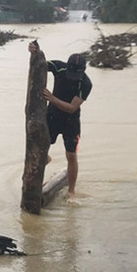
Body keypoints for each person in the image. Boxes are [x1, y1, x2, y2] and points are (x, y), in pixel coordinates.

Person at [28, 42, 93, 201]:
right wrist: (33, 52)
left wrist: (52, 98)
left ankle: (71, 191)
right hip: (52, 116)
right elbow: (39, 65)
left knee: (71, 155)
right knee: (41, 148)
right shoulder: (59, 67)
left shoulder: (85, 83)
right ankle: (39, 176)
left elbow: (72, 108)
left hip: (71, 121)